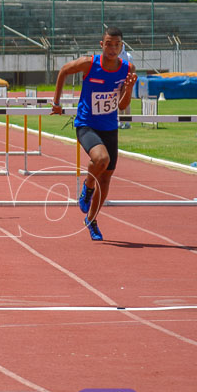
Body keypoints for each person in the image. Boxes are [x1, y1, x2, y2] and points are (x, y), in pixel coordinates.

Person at [51, 26, 136, 241]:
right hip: (86, 124)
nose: (112, 48)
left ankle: (91, 219)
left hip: (109, 127)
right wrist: (56, 103)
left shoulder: (127, 69)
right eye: (108, 43)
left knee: (106, 178)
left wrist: (129, 88)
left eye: (117, 44)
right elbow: (63, 71)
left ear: (121, 46)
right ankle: (88, 187)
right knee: (102, 159)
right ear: (101, 44)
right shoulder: (89, 63)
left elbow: (123, 105)